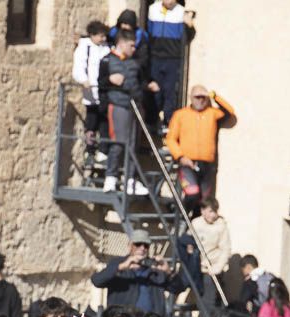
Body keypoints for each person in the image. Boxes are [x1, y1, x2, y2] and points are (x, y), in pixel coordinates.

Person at [98, 29, 159, 195]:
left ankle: (130, 180)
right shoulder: (107, 60)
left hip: (135, 106)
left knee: (133, 144)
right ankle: (111, 178)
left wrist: (148, 86)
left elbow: (139, 81)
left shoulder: (135, 62)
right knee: (118, 142)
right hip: (118, 105)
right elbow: (100, 84)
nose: (134, 49)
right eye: (131, 45)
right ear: (122, 43)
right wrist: (110, 80)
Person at [164, 85, 235, 213]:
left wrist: (214, 96)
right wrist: (180, 157)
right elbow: (170, 139)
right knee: (193, 193)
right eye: (197, 97)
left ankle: (193, 224)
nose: (201, 100)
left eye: (203, 97)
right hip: (187, 163)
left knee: (203, 201)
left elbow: (229, 112)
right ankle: (178, 215)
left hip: (208, 164)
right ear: (191, 97)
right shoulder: (180, 115)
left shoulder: (212, 113)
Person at [91, 229, 172, 315]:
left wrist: (168, 272)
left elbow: (177, 288)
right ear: (130, 246)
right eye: (138, 244)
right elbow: (97, 281)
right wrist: (121, 267)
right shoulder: (118, 263)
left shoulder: (155, 266)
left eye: (146, 245)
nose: (142, 248)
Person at [146, 0, 196, 134]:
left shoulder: (181, 11)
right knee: (155, 90)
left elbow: (188, 36)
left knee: (170, 91)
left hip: (173, 57)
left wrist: (189, 25)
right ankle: (152, 121)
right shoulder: (153, 9)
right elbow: (149, 31)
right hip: (155, 56)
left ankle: (168, 122)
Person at [72, 20, 111, 162]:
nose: (103, 39)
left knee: (104, 122)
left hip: (104, 91)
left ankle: (103, 151)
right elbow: (79, 66)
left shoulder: (106, 48)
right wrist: (84, 80)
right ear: (93, 35)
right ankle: (90, 150)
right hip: (91, 92)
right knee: (91, 122)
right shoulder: (84, 47)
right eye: (100, 36)